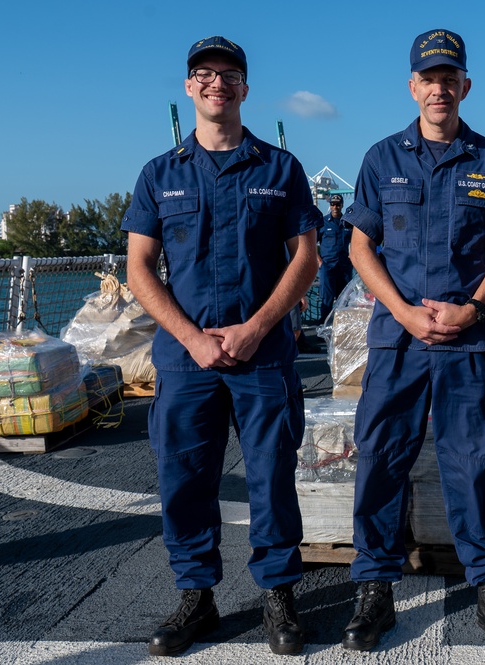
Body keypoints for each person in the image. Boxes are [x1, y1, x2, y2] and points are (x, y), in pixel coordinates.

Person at [122, 35, 322, 658]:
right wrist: (191, 338)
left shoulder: (280, 169)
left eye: (229, 74)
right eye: (203, 75)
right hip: (187, 362)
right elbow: (139, 267)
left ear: (245, 88)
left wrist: (257, 327)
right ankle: (197, 595)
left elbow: (307, 258)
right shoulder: (160, 173)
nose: (216, 84)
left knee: (271, 478)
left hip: (261, 354)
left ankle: (279, 595)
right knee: (184, 479)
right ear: (189, 87)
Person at [339, 28, 485, 652]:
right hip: (398, 339)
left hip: (467, 341)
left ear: (465, 86)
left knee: (473, 465)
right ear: (413, 87)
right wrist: (401, 310)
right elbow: (359, 246)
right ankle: (374, 588)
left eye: (450, 78)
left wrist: (474, 307)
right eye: (429, 78)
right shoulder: (380, 159)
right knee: (380, 460)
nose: (440, 88)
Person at [316, 193, 354, 324]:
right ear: (330, 205)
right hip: (328, 266)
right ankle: (323, 327)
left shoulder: (348, 224)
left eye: (338, 204)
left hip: (344, 267)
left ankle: (341, 328)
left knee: (344, 299)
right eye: (332, 204)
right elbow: (312, 244)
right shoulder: (323, 223)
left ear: (342, 205)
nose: (335, 207)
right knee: (327, 298)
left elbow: (356, 243)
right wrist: (320, 262)